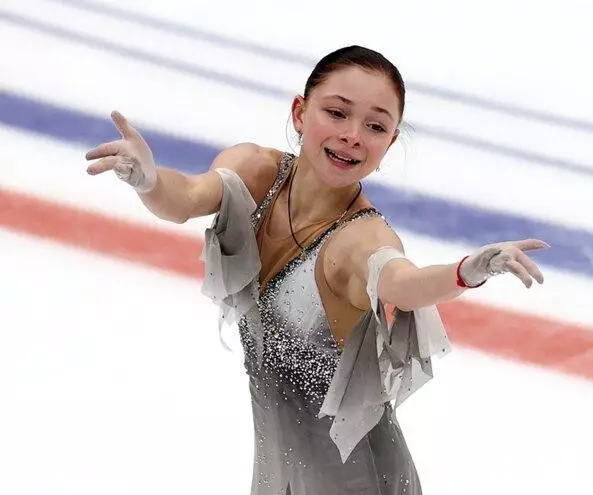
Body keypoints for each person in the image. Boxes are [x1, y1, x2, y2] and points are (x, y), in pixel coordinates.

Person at [84, 45, 549, 494]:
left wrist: (466, 270)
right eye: (338, 112)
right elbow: (184, 197)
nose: (353, 134)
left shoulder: (361, 239)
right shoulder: (254, 170)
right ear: (300, 113)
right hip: (278, 469)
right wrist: (147, 180)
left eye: (375, 126)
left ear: (389, 144)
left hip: (357, 480)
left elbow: (403, 285)